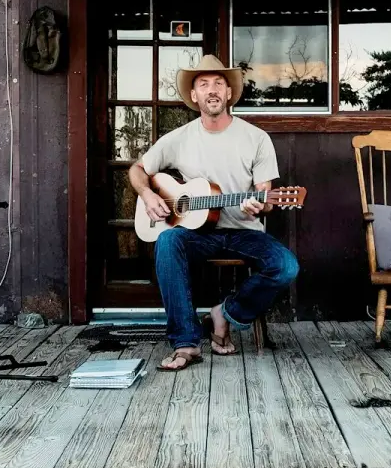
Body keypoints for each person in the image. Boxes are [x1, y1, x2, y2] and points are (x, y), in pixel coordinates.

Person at [128, 54, 299, 371]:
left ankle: (224, 313)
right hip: (197, 235)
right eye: (204, 84)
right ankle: (185, 343)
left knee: (286, 266)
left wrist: (261, 203)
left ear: (229, 93)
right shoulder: (179, 139)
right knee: (167, 241)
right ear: (194, 96)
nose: (212, 90)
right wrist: (148, 193)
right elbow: (137, 169)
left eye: (219, 83)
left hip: (244, 232)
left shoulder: (255, 138)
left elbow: (268, 197)